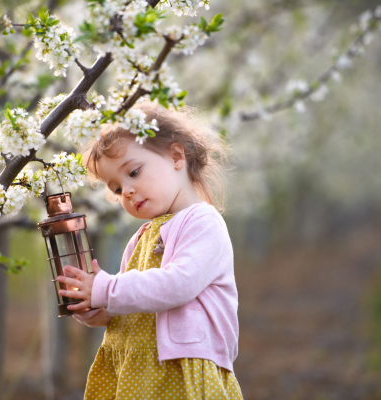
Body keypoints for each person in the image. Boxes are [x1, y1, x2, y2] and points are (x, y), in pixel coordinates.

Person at [57, 101, 243, 399]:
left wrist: (105, 288)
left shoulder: (203, 222)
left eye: (134, 172)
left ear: (176, 156)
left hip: (182, 371)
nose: (126, 191)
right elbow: (137, 305)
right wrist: (102, 310)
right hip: (139, 372)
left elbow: (177, 285)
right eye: (116, 189)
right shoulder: (141, 237)